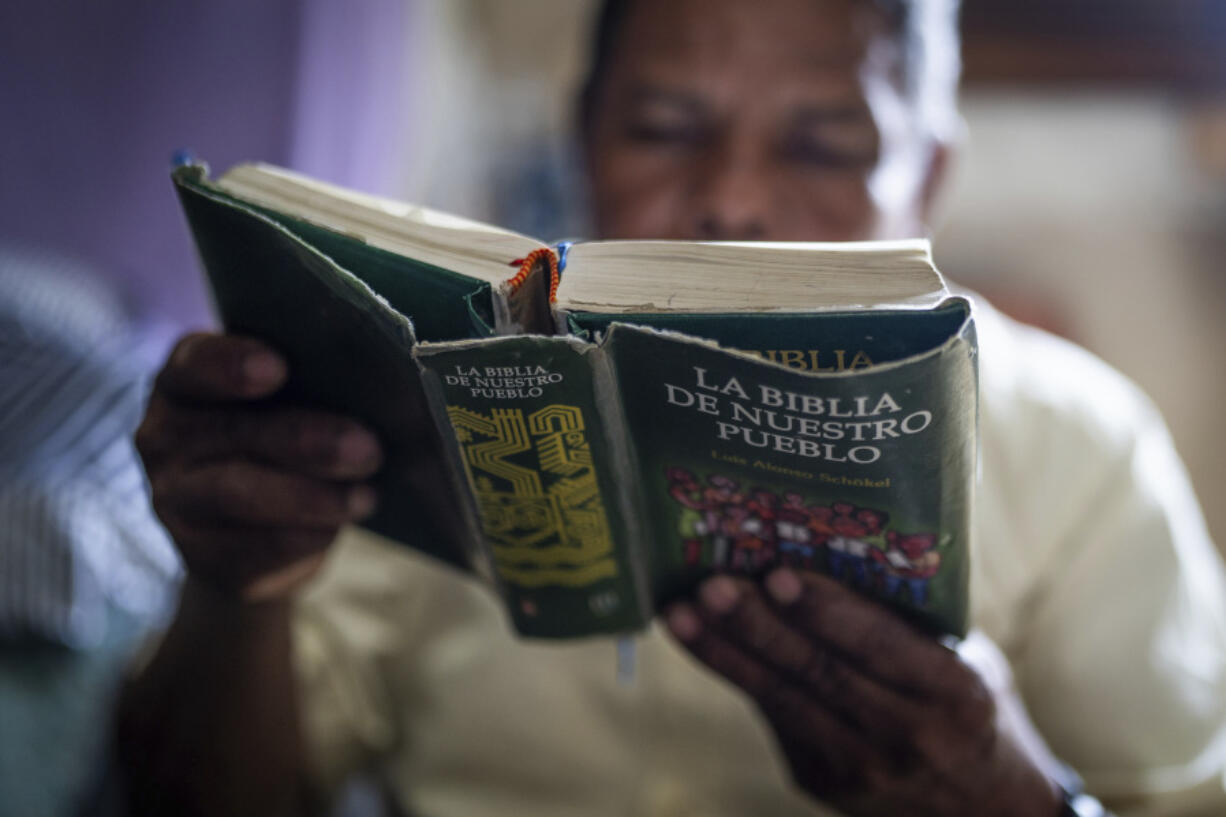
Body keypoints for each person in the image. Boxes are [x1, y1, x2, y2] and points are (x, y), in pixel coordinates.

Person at [118, 1, 1226, 816]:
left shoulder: (1083, 440)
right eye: (660, 128)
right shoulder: (436, 381)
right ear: (580, 138)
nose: (733, 195)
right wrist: (231, 592)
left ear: (926, 175)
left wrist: (1000, 794)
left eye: (823, 143)